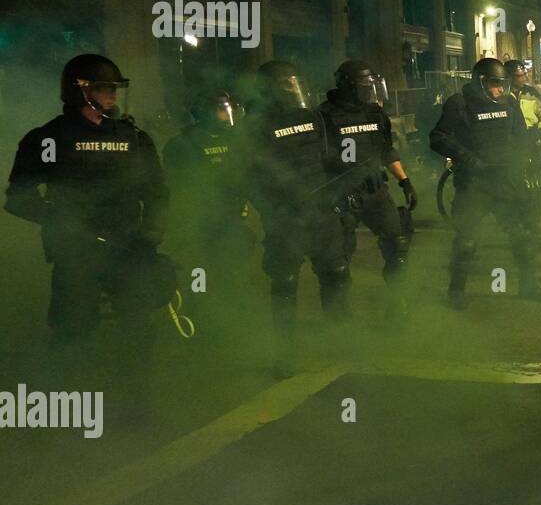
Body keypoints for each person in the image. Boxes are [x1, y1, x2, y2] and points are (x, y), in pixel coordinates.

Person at [5, 54, 173, 401]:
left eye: (115, 89)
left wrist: (152, 230)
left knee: (138, 327)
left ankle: (134, 402)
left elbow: (157, 193)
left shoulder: (135, 138)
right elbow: (18, 198)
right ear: (79, 91)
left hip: (128, 247)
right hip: (76, 251)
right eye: (104, 89)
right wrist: (61, 221)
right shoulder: (49, 139)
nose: (112, 96)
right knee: (73, 329)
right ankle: (66, 404)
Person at [235, 59, 348, 377]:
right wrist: (272, 208)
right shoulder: (253, 127)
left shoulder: (310, 117)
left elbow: (326, 155)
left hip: (320, 210)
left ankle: (340, 341)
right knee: (285, 283)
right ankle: (285, 353)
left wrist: (347, 175)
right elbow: (244, 176)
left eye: (295, 84)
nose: (294, 90)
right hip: (285, 218)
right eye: (287, 85)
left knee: (335, 274)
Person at [430, 57, 541, 309]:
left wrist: (522, 160)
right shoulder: (459, 104)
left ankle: (528, 285)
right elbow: (438, 138)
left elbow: (520, 136)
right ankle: (456, 292)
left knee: (522, 235)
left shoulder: (509, 103)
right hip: (475, 184)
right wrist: (469, 160)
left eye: (502, 85)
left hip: (506, 180)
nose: (499, 90)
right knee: (467, 240)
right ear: (481, 82)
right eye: (495, 84)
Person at [318, 60, 416, 318]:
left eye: (373, 84)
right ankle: (337, 318)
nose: (371, 89)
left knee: (397, 245)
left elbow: (386, 151)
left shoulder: (374, 113)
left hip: (374, 189)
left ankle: (397, 305)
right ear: (349, 85)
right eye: (365, 84)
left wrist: (404, 181)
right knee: (337, 260)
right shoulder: (325, 115)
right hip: (341, 193)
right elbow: (319, 158)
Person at [162, 89, 254, 312]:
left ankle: (229, 314)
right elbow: (179, 187)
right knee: (199, 271)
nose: (227, 115)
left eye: (228, 110)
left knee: (230, 272)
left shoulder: (234, 141)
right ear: (206, 113)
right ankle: (197, 311)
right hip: (198, 223)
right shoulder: (182, 144)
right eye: (222, 110)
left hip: (229, 220)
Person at [504, 59, 541, 133]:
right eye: (520, 76)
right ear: (510, 77)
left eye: (525, 74)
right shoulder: (502, 94)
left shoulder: (530, 92)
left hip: (532, 134)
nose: (524, 78)